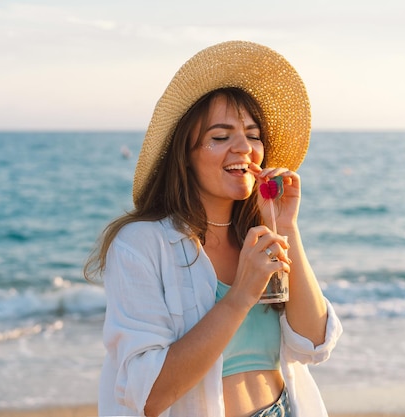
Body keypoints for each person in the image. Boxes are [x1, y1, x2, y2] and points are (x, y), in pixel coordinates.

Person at [84, 40, 342, 417]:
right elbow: (150, 396)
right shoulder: (141, 244)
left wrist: (288, 227)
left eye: (253, 135)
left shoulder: (261, 235)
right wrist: (240, 295)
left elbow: (314, 343)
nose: (243, 147)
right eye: (220, 137)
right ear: (184, 157)